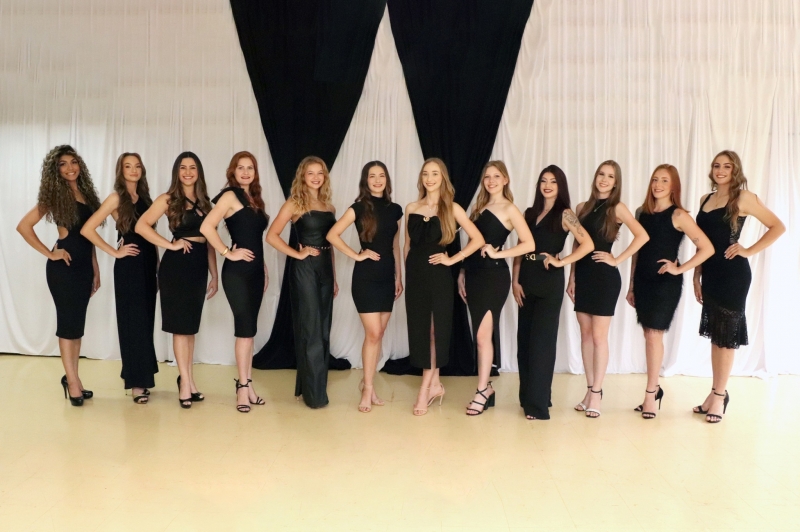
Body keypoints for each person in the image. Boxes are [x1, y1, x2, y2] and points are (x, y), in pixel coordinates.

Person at [692, 150, 784, 423]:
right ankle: (714, 393)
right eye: (716, 165)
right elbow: (702, 241)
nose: (720, 170)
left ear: (735, 171)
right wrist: (697, 274)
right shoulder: (705, 199)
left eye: (727, 166)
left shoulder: (743, 197)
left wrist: (748, 250)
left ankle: (720, 396)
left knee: (726, 337)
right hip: (710, 273)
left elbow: (777, 226)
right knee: (716, 335)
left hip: (733, 275)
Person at [625, 164, 714, 418]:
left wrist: (680, 268)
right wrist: (631, 285)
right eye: (655, 179)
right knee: (649, 335)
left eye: (664, 180)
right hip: (643, 281)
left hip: (665, 284)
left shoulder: (679, 215)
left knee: (654, 335)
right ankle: (654, 390)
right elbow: (637, 252)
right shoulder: (641, 212)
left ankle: (650, 393)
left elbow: (707, 248)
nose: (658, 185)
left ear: (673, 186)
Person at [17, 145, 102, 406]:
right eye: (63, 164)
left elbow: (88, 237)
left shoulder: (86, 195)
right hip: (64, 269)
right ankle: (72, 383)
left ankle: (73, 378)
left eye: (73, 162)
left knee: (76, 327)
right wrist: (50, 253)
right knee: (67, 325)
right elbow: (23, 226)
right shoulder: (55, 196)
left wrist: (95, 269)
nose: (70, 168)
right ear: (56, 170)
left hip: (84, 267)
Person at [135, 152, 218, 409]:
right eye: (183, 168)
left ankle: (188, 380)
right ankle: (184, 384)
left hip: (199, 265)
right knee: (181, 327)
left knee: (190, 327)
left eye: (193, 167)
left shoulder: (206, 203)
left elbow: (210, 242)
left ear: (199, 172)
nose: (188, 172)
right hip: (177, 266)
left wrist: (215, 274)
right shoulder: (168, 199)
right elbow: (141, 226)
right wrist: (169, 245)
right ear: (177, 172)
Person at [568, 160, 649, 418]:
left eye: (610, 176)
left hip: (604, 278)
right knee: (585, 336)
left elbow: (642, 236)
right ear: (595, 177)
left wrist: (617, 259)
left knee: (599, 337)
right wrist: (572, 277)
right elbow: (576, 244)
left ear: (616, 183)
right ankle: (589, 389)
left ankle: (597, 393)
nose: (604, 179)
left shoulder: (617, 208)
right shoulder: (581, 208)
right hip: (583, 276)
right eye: (601, 174)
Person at [404, 158, 485, 416]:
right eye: (425, 174)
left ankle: (424, 389)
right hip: (416, 276)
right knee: (420, 330)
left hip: (439, 276)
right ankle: (436, 384)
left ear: (443, 178)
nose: (429, 178)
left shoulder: (452, 208)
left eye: (435, 174)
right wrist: (406, 276)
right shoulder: (411, 207)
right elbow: (407, 246)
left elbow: (477, 239)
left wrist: (452, 259)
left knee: (435, 331)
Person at [512, 165, 594, 420]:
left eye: (553, 182)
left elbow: (588, 243)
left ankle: (537, 406)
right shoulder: (529, 213)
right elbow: (520, 248)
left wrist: (562, 261)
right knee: (525, 342)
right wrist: (515, 281)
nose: (547, 185)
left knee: (542, 344)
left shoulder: (565, 214)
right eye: (543, 181)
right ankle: (531, 397)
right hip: (526, 278)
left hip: (549, 281)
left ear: (560, 186)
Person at [457, 161, 535, 415]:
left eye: (496, 176)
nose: (491, 181)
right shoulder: (478, 208)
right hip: (473, 274)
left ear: (505, 180)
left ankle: (482, 390)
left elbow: (529, 244)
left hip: (493, 277)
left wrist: (499, 254)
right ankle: (486, 388)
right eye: (487, 177)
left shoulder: (510, 208)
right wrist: (462, 272)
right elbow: (470, 243)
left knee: (483, 336)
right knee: (479, 335)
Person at [81, 153, 159, 404]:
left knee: (146, 322)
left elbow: (150, 234)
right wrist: (115, 252)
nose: (133, 170)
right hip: (129, 266)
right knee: (132, 323)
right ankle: (136, 383)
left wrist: (157, 264)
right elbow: (87, 229)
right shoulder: (116, 198)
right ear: (121, 170)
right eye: (128, 166)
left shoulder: (145, 198)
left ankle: (142, 377)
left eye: (137, 166)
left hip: (148, 264)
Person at [327, 161, 403, 413]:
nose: (377, 180)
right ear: (365, 180)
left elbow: (395, 246)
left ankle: (367, 383)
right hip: (366, 278)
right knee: (373, 333)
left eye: (381, 175)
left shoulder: (395, 210)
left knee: (379, 334)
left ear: (387, 180)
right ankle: (367, 388)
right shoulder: (358, 207)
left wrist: (398, 277)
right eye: (372, 176)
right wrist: (357, 255)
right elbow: (332, 235)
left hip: (387, 277)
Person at [200, 151, 270, 413]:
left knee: (250, 332)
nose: (245, 172)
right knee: (244, 330)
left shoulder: (255, 199)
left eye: (250, 168)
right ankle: (241, 388)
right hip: (237, 273)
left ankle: (248, 385)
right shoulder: (230, 195)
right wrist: (227, 252)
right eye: (240, 167)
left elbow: (254, 238)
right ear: (233, 171)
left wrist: (262, 265)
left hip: (256, 272)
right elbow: (207, 227)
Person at [266, 156, 338, 409]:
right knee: (311, 329)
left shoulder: (329, 207)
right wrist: (297, 254)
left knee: (324, 329)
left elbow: (331, 245)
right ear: (303, 177)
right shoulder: (295, 203)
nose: (316, 177)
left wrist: (334, 277)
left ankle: (309, 386)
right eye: (310, 173)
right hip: (304, 270)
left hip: (325, 270)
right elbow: (271, 235)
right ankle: (315, 396)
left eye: (320, 173)